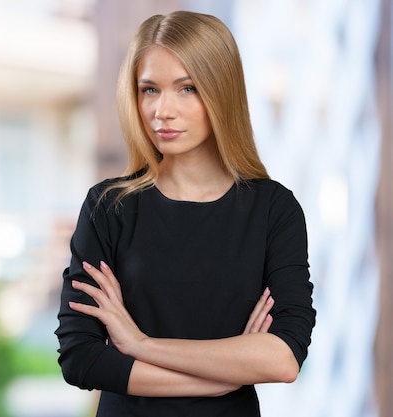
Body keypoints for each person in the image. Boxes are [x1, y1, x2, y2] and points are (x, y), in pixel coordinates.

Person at [55, 10, 316, 417]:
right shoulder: (110, 206)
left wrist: (141, 345)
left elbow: (282, 359)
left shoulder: (273, 210)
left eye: (187, 88)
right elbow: (81, 358)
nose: (163, 110)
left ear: (221, 91)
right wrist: (225, 376)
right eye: (149, 90)